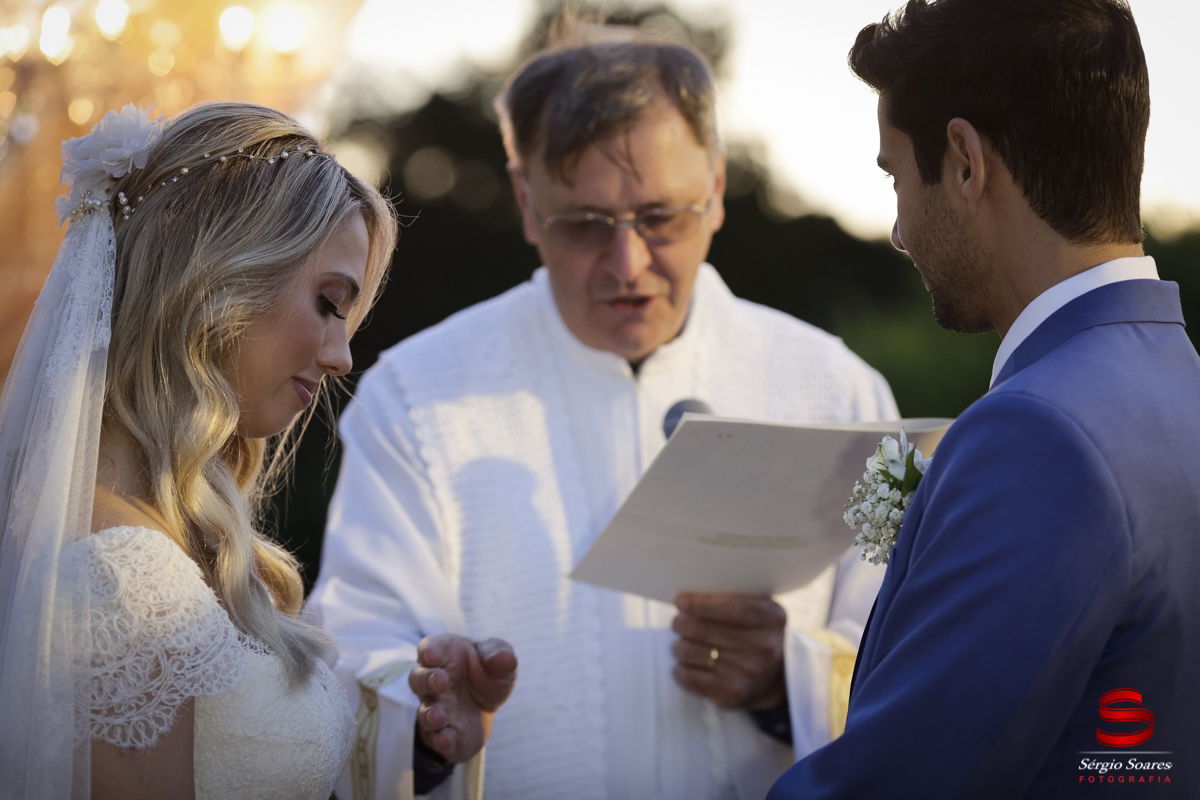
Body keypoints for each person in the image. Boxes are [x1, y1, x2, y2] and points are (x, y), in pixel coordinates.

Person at [308, 20, 898, 800]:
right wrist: (424, 708)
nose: (627, 264)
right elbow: (357, 636)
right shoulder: (415, 396)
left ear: (716, 189)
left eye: (661, 217)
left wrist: (783, 683)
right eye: (583, 225)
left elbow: (915, 641)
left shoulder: (841, 393)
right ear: (525, 203)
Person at [769, 0, 1200, 797]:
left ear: (965, 161)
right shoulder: (1181, 387)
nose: (899, 228)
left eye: (895, 173)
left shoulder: (1039, 438)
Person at [0, 101, 397, 799]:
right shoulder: (123, 575)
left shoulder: (170, 534)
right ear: (215, 277)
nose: (340, 356)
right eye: (330, 303)